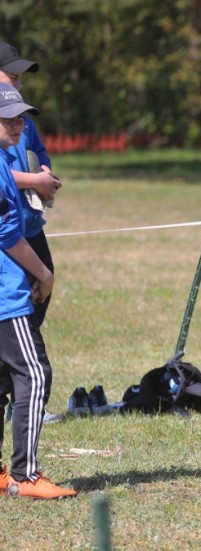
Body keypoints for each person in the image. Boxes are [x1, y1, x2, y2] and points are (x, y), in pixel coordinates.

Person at [0, 83, 75, 499]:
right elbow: (7, 232)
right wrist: (44, 274)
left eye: (21, 117)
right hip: (6, 297)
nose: (18, 124)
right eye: (8, 118)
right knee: (33, 373)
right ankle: (26, 476)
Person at [0, 42, 63, 426]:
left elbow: (38, 154)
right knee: (14, 318)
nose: (19, 84)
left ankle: (18, 388)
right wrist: (35, 180)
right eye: (13, 75)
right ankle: (22, 388)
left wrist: (46, 176)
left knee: (32, 308)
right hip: (10, 235)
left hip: (28, 226)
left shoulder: (23, 119)